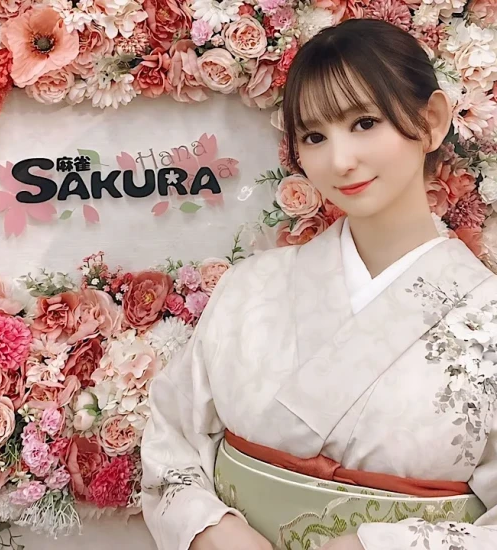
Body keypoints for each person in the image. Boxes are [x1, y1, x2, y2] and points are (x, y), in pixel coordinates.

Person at [140, 18, 497, 550]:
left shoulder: (487, 318)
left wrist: (380, 546)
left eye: (365, 122)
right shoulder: (251, 286)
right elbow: (171, 436)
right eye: (314, 136)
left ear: (432, 122)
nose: (340, 161)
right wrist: (208, 528)